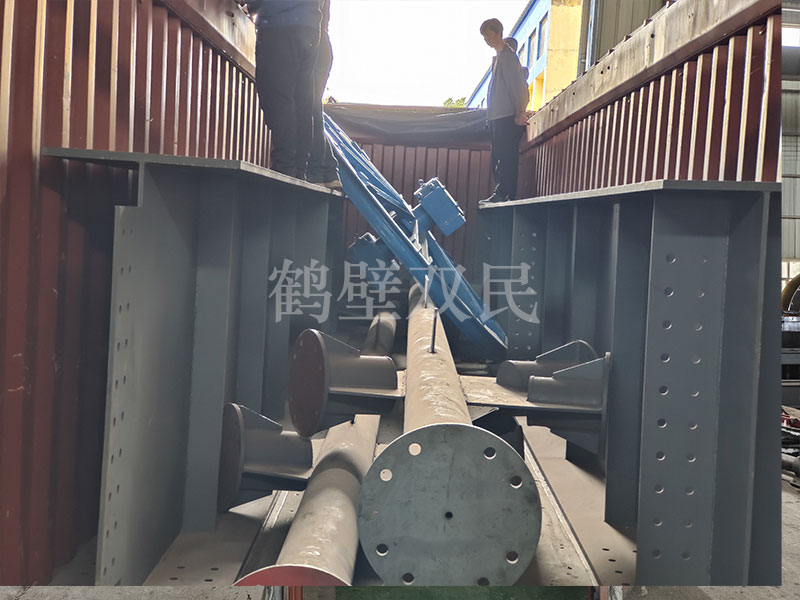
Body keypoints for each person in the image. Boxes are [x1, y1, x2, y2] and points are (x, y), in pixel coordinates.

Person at [238, 0, 322, 180]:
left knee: (277, 96)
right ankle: (299, 167)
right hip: (309, 26)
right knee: (301, 99)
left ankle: (285, 166)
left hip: (280, 24)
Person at [479, 19, 529, 203]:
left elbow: (517, 87)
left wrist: (519, 112)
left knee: (506, 155)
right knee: (498, 155)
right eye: (484, 36)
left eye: (488, 35)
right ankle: (502, 190)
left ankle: (505, 192)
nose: (486, 39)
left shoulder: (508, 57)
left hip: (506, 115)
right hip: (496, 115)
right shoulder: (499, 58)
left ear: (498, 32)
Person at [307, 0, 342, 188]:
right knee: (313, 109)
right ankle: (329, 171)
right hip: (318, 44)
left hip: (314, 45)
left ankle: (318, 172)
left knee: (311, 109)